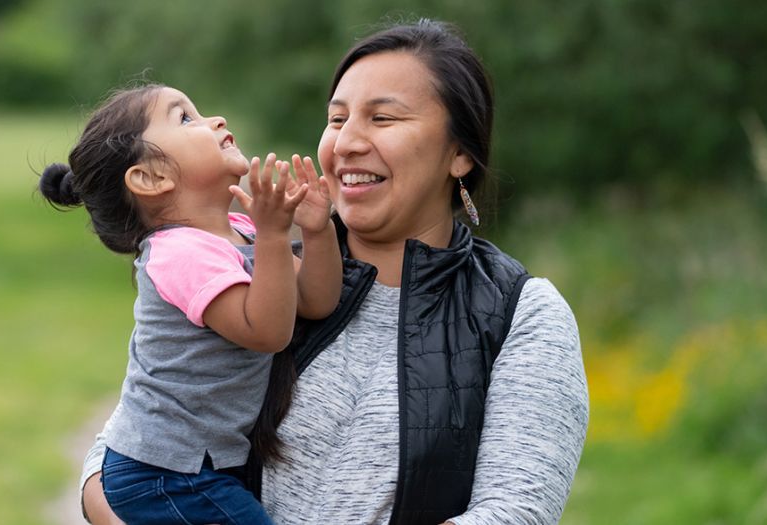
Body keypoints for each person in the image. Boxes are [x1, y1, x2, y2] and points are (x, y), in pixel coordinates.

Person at [82, 19, 588, 525]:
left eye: (383, 118)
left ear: (459, 153)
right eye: (338, 119)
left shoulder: (521, 313)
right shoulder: (265, 267)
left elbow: (517, 510)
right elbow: (133, 443)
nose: (347, 143)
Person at [41, 84, 342, 524]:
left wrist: (316, 232)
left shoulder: (242, 230)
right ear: (150, 178)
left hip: (194, 466)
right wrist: (277, 237)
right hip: (162, 472)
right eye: (186, 118)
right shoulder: (178, 252)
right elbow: (268, 332)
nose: (215, 120)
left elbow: (316, 302)